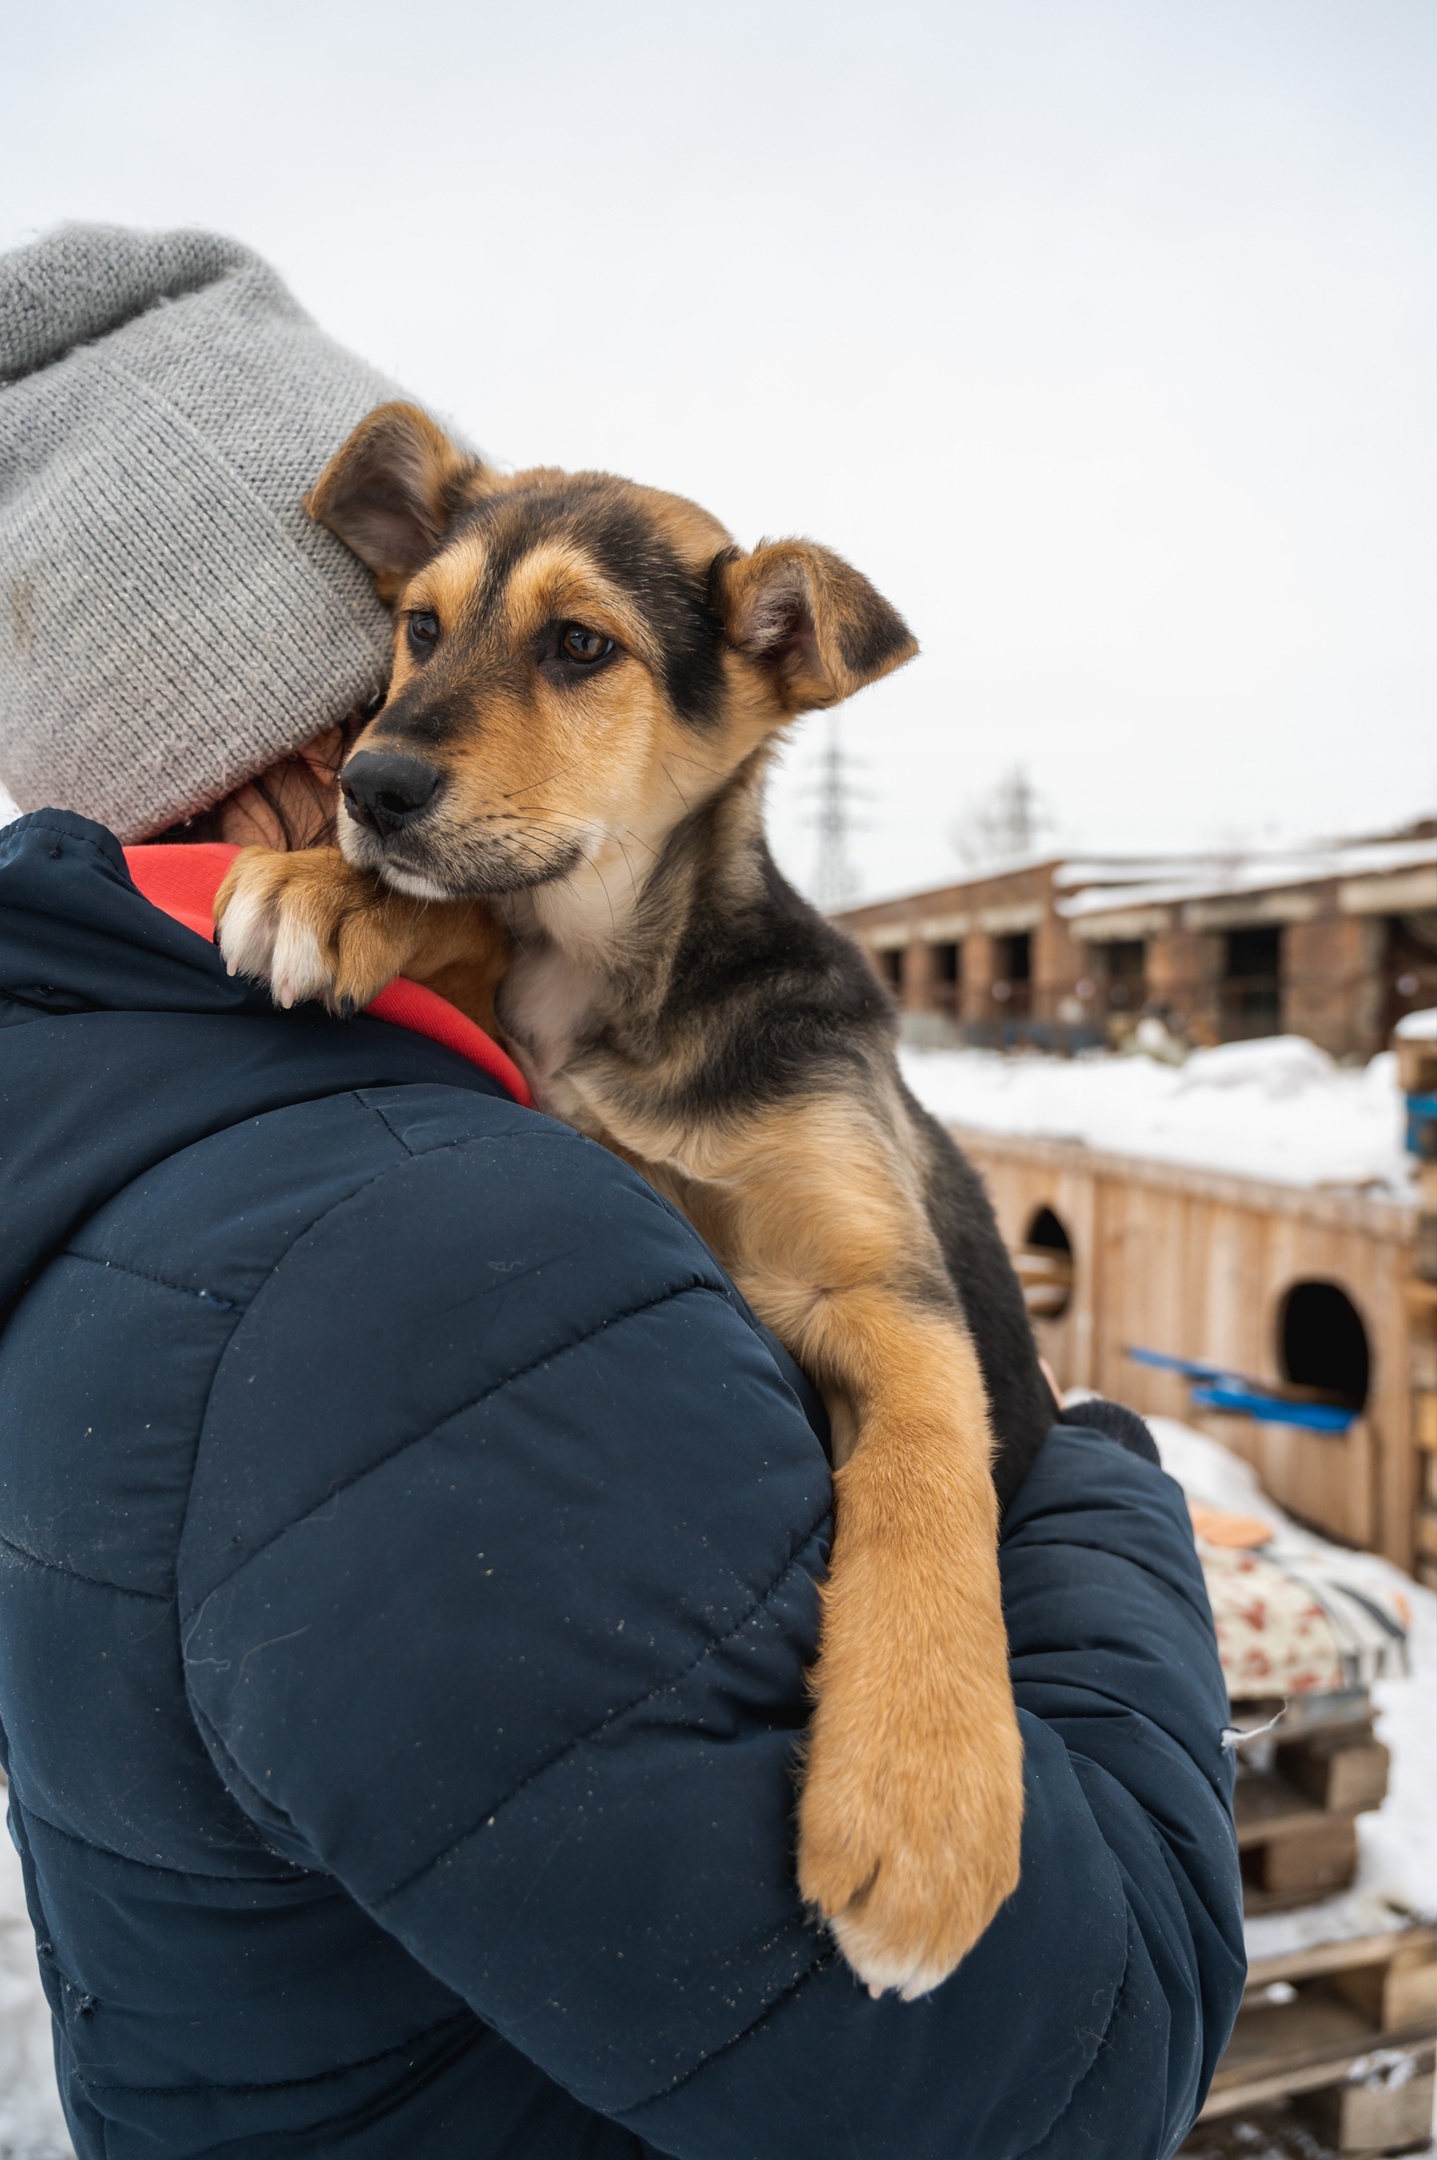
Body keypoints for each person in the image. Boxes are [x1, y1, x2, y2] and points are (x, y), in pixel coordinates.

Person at [0, 223, 1244, 2160]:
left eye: (564, 652)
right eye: (414, 634)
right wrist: (1110, 1482)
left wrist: (1004, 1501)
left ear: (753, 680)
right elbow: (1061, 2072)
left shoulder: (107, 1128)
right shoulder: (417, 1233)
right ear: (300, 715)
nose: (421, 739)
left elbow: (889, 1339)